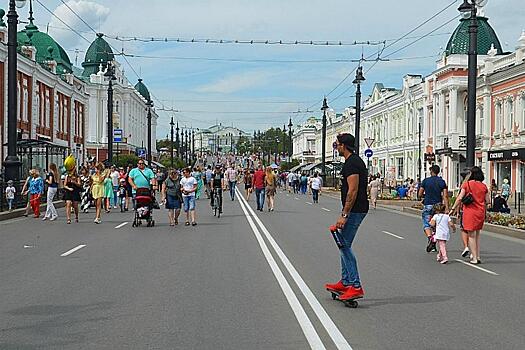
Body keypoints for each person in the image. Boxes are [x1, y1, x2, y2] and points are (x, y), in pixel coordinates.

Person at [325, 133, 369, 301]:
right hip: (356, 209)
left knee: (344, 245)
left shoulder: (352, 164)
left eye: (337, 144)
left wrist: (344, 215)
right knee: (343, 244)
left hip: (355, 210)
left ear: (343, 145)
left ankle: (355, 285)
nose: (335, 147)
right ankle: (345, 282)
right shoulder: (353, 162)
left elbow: (353, 191)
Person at [450, 166, 490, 264]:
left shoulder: (467, 184)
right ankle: (478, 255)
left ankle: (475, 258)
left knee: (471, 235)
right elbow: (488, 201)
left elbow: (460, 198)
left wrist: (453, 208)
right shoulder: (484, 186)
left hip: (470, 212)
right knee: (477, 235)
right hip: (480, 212)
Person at [418, 165, 449, 253]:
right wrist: (447, 208)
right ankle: (434, 245)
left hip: (428, 204)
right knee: (436, 225)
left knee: (427, 224)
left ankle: (430, 238)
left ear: (431, 171)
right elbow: (445, 196)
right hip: (438, 206)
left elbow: (420, 193)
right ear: (438, 171)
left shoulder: (426, 181)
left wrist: (422, 197)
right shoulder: (442, 182)